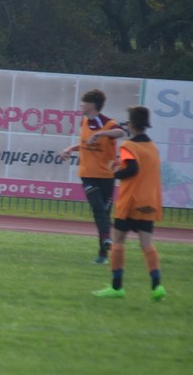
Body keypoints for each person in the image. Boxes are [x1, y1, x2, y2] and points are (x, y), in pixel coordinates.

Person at [93, 106, 166, 300]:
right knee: (147, 245)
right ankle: (157, 286)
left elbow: (132, 169)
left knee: (117, 242)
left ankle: (117, 287)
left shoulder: (128, 146)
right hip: (149, 201)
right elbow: (141, 168)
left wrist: (115, 172)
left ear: (132, 124)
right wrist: (122, 165)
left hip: (130, 202)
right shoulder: (153, 147)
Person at [58, 89, 126, 264]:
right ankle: (106, 240)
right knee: (98, 208)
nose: (80, 106)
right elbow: (84, 144)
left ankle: (103, 254)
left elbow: (121, 133)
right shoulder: (84, 122)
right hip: (88, 175)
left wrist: (100, 134)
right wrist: (69, 149)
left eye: (83, 103)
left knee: (103, 214)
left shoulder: (108, 123)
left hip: (106, 176)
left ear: (92, 105)